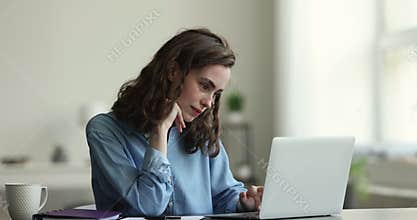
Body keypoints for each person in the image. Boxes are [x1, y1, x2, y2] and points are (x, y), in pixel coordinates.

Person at [85, 28, 263, 216]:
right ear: (173, 71)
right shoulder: (104, 131)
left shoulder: (202, 132)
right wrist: (160, 130)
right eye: (204, 86)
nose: (209, 103)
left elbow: (223, 194)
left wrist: (243, 203)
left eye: (216, 93)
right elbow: (148, 206)